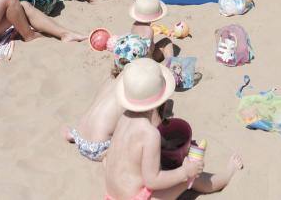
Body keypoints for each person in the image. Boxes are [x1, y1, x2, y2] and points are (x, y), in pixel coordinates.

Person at [104, 58, 243, 200]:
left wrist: (166, 145)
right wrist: (185, 172)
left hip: (112, 196)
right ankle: (226, 176)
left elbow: (134, 148)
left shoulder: (123, 118)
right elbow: (152, 181)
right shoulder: (150, 134)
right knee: (191, 179)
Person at [63, 34, 150, 162]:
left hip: (80, 136)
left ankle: (72, 136)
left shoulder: (109, 80)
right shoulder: (132, 85)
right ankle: (108, 157)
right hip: (100, 147)